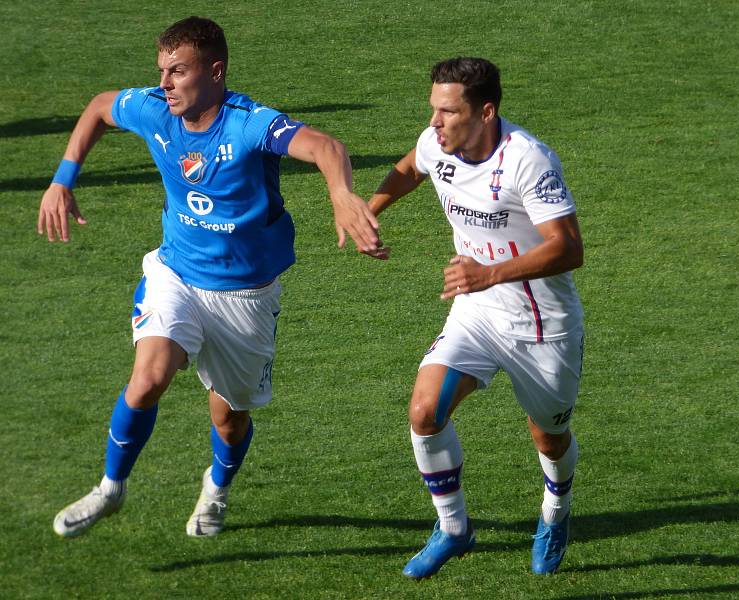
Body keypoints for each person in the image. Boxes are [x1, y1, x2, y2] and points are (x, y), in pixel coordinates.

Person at [39, 16, 385, 538]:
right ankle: (111, 487)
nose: (165, 83)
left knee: (229, 417)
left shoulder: (248, 124)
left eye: (178, 71)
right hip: (176, 273)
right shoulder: (155, 111)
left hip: (245, 295)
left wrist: (340, 193)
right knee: (148, 379)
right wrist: (63, 179)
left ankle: (217, 488)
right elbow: (98, 106)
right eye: (162, 70)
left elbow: (325, 146)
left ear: (215, 71)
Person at [367, 57, 584, 578]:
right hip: (477, 313)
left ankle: (555, 511)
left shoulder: (528, 160)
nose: (435, 123)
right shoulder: (437, 143)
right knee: (424, 411)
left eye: (448, 111)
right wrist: (370, 209)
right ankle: (454, 528)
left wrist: (489, 273)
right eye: (433, 110)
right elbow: (410, 168)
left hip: (541, 324)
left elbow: (569, 248)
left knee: (548, 437)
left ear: (486, 112)